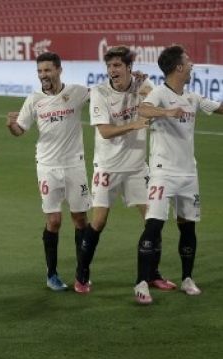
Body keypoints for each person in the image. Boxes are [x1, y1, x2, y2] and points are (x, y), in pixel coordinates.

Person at [74, 46, 176, 293]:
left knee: (154, 220)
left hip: (137, 168)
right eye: (109, 66)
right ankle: (82, 274)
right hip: (107, 168)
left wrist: (148, 91)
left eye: (118, 66)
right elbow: (105, 132)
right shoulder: (99, 92)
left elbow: (160, 104)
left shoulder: (142, 84)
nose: (112, 70)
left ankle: (152, 273)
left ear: (129, 68)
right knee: (98, 221)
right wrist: (135, 125)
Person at [133, 45, 223, 305]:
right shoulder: (160, 93)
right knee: (154, 224)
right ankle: (141, 282)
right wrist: (166, 112)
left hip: (188, 174)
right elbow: (143, 110)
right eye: (188, 61)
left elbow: (220, 108)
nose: (193, 64)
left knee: (188, 226)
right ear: (179, 67)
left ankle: (187, 278)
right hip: (163, 173)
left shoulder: (193, 97)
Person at [7, 52, 91, 291]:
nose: (43, 75)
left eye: (47, 70)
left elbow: (105, 94)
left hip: (75, 165)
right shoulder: (34, 100)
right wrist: (11, 125)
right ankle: (52, 274)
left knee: (80, 219)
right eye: (40, 71)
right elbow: (20, 130)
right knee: (53, 220)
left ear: (59, 70)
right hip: (47, 166)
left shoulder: (76, 92)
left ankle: (82, 271)